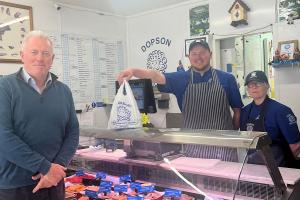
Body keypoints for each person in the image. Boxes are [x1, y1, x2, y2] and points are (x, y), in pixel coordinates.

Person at [118, 41, 243, 161]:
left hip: (223, 148)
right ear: (189, 57)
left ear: (210, 55)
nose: (198, 57)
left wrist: (230, 135)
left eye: (203, 53)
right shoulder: (180, 78)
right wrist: (133, 71)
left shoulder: (227, 79)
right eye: (194, 53)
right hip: (193, 149)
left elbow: (237, 111)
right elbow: (155, 75)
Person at [0, 30, 79, 199]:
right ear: (22, 56)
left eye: (45, 53)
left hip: (55, 183)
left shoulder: (64, 91)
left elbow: (72, 132)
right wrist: (45, 167)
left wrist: (57, 167)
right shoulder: (4, 87)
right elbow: (3, 136)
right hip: (15, 186)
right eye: (34, 52)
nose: (40, 58)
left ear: (52, 59)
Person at [240, 70, 300, 168]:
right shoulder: (244, 112)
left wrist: (278, 168)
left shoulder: (281, 111)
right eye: (250, 85)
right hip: (253, 167)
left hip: (279, 169)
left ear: (267, 86)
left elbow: (296, 145)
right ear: (247, 89)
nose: (254, 87)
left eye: (258, 83)